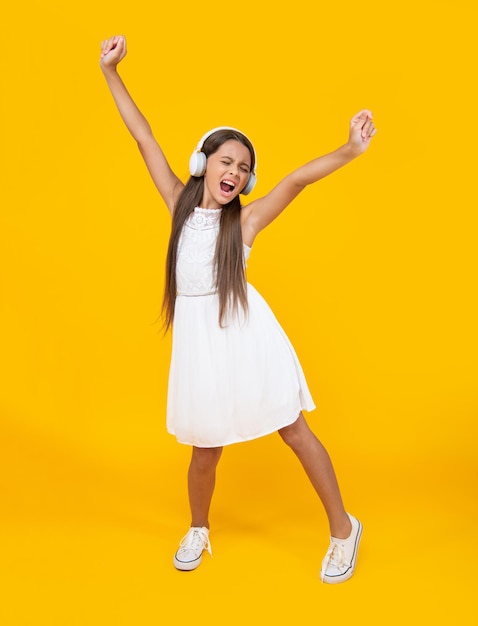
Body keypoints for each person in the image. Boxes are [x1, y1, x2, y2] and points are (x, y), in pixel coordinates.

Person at [99, 34, 376, 584]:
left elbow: (295, 181)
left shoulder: (244, 224)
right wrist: (110, 71)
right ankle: (199, 528)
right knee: (205, 452)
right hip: (201, 347)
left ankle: (344, 529)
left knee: (294, 430)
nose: (235, 173)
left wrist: (349, 150)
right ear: (203, 163)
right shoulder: (177, 203)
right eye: (226, 161)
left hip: (248, 338)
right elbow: (142, 135)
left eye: (244, 168)